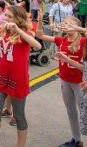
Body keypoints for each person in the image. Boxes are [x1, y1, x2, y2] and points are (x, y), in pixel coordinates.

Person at [0, 5, 41, 147]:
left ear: (19, 19)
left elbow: (37, 46)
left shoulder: (26, 32)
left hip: (18, 80)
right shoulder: (3, 29)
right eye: (6, 15)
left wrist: (18, 30)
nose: (6, 19)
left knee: (19, 116)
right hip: (1, 76)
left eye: (9, 16)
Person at [36, 14, 86, 147]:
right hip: (65, 80)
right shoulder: (61, 39)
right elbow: (40, 35)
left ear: (76, 27)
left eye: (69, 24)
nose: (65, 26)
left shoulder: (83, 42)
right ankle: (76, 140)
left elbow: (83, 68)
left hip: (80, 83)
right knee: (71, 110)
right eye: (65, 23)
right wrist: (40, 20)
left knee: (84, 113)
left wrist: (68, 59)